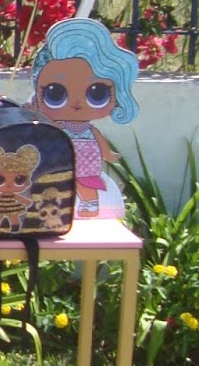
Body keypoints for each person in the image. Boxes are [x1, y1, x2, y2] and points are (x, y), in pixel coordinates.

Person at [29, 18, 140, 217]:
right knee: (58, 184)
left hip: (87, 164)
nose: (77, 103)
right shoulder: (58, 127)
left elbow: (99, 141)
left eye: (97, 94)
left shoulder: (90, 130)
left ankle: (90, 204)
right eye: (55, 94)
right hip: (60, 162)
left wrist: (107, 154)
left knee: (86, 185)